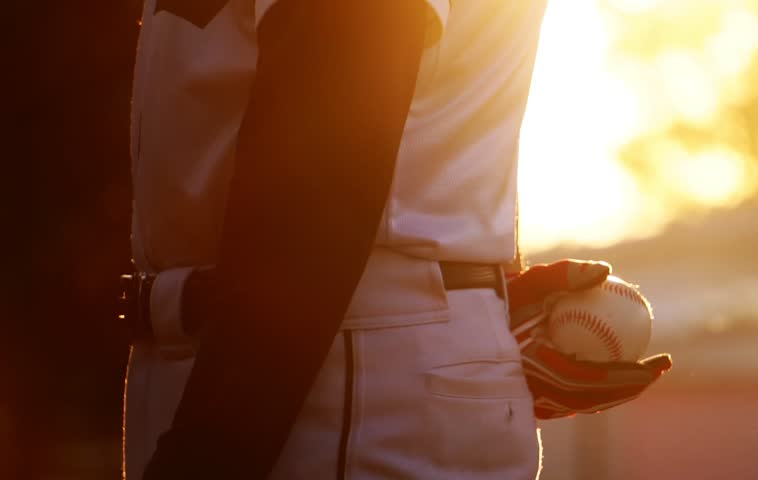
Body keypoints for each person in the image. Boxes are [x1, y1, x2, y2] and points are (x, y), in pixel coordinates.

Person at [121, 0, 672, 479]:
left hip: (333, 377)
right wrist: (483, 292)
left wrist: (204, 454)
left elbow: (319, 193)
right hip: (349, 355)